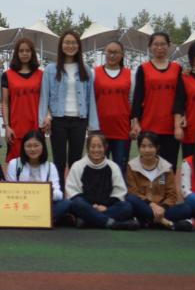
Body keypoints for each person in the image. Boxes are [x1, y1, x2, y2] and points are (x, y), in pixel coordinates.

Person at [39, 30, 99, 180]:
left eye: (73, 43)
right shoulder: (50, 69)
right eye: (67, 42)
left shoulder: (86, 70)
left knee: (76, 161)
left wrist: (92, 125)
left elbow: (90, 98)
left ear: (78, 46)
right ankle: (59, 191)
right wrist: (44, 118)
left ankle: (74, 191)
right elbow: (44, 96)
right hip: (58, 120)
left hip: (79, 120)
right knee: (59, 161)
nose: (70, 46)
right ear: (61, 45)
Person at [65, 133, 140, 230]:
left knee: (126, 207)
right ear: (87, 148)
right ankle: (112, 223)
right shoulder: (78, 166)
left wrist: (105, 207)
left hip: (107, 207)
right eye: (93, 147)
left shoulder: (113, 167)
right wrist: (91, 206)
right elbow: (72, 192)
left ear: (105, 147)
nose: (96, 150)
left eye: (99, 146)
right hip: (85, 205)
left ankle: (87, 220)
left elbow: (119, 192)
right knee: (77, 203)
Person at [131, 32, 183, 169]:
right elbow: (137, 97)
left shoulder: (177, 69)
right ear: (150, 47)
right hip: (149, 126)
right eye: (156, 44)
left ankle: (168, 185)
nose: (159, 47)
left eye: (163, 44)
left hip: (171, 127)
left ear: (169, 46)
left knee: (169, 167)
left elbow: (180, 98)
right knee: (148, 166)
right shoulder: (143, 69)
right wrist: (135, 122)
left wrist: (178, 124)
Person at [124, 131, 192, 230]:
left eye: (151, 146)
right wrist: (151, 205)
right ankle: (165, 222)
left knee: (187, 209)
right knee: (130, 199)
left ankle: (147, 221)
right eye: (143, 146)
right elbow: (133, 191)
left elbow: (172, 195)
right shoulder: (132, 166)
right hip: (143, 205)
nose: (147, 150)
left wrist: (162, 208)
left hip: (162, 208)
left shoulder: (166, 167)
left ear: (157, 148)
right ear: (139, 148)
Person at [5, 130, 71, 223]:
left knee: (66, 203)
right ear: (23, 147)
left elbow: (59, 194)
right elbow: (9, 191)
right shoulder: (14, 164)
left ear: (43, 146)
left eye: (36, 145)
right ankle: (42, 220)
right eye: (28, 146)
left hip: (43, 206)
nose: (32, 149)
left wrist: (51, 193)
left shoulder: (50, 166)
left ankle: (35, 220)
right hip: (21, 206)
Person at [93, 40, 132, 174]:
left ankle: (119, 189)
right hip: (99, 130)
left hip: (122, 129)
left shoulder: (130, 74)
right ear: (104, 53)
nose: (112, 55)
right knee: (99, 168)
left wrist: (134, 123)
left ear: (122, 55)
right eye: (109, 52)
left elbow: (132, 101)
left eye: (116, 52)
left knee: (120, 168)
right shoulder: (94, 73)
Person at [1, 37, 43, 157]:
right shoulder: (7, 75)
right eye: (21, 51)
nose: (25, 53)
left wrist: (48, 117)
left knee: (36, 162)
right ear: (16, 53)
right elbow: (5, 103)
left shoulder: (41, 75)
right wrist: (7, 126)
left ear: (32, 53)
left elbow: (45, 101)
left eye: (28, 51)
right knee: (16, 164)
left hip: (36, 126)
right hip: (16, 128)